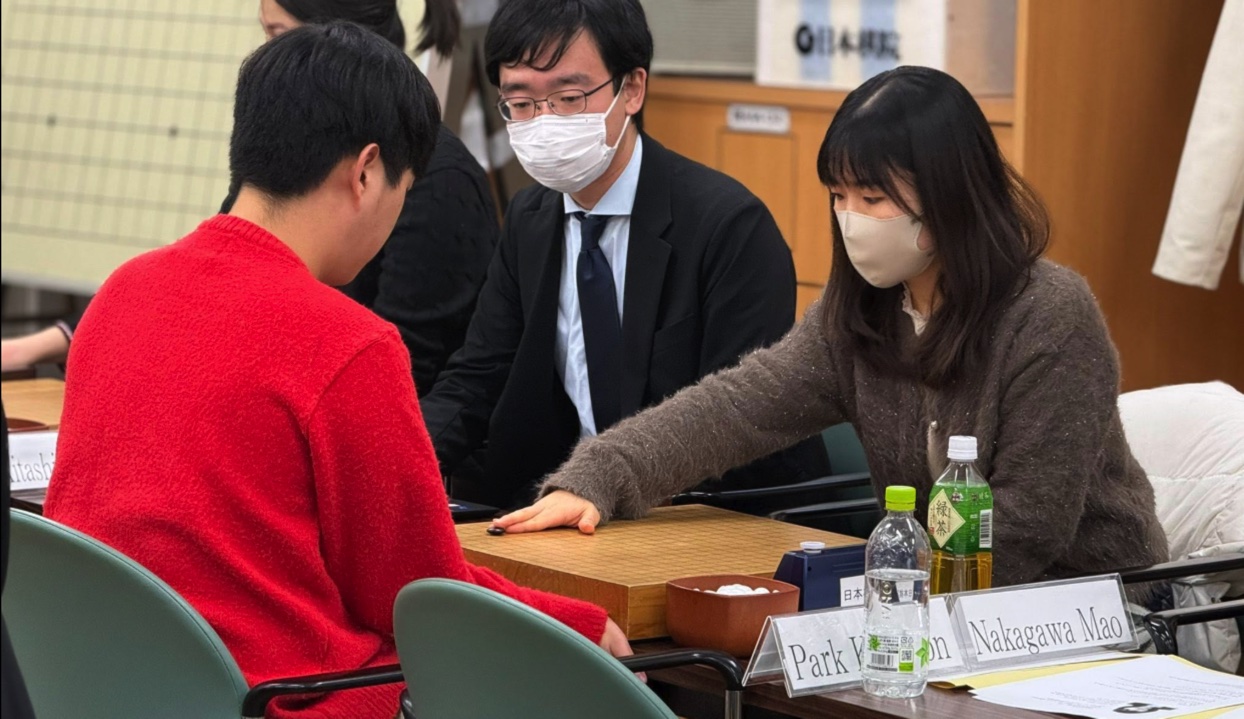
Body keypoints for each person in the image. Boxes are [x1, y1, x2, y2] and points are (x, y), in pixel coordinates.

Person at [44, 24, 627, 719]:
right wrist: (581, 625)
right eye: (404, 189)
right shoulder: (347, 343)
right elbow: (419, 594)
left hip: (96, 682)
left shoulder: (122, 292)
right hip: (273, 696)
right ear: (366, 170)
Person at [493, 66, 1170, 591]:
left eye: (872, 198)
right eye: (839, 197)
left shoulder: (1049, 316)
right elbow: (733, 407)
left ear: (952, 197)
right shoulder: (861, 317)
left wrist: (862, 593)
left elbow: (1027, 530)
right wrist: (598, 476)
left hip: (1089, 609)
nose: (851, 221)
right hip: (928, 609)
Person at [419, 0, 830, 510]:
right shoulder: (530, 218)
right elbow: (477, 376)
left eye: (569, 98)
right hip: (571, 510)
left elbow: (740, 419)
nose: (544, 123)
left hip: (708, 515)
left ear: (631, 88)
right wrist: (397, 461)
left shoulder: (729, 227)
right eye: (520, 104)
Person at [242, 0, 498, 394]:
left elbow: (407, 368)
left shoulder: (436, 176)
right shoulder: (280, 144)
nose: (266, 56)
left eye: (276, 35)